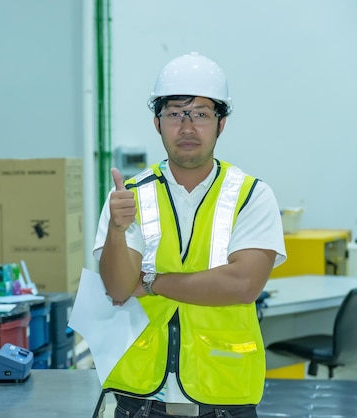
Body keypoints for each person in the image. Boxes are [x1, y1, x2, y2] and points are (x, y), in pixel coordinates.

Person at [93, 52, 287, 417]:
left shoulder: (251, 195)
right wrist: (118, 232)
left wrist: (152, 283)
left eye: (200, 114)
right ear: (157, 122)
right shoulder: (129, 197)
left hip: (224, 398)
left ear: (221, 123)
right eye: (174, 114)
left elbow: (243, 284)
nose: (186, 127)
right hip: (138, 398)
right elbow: (119, 289)